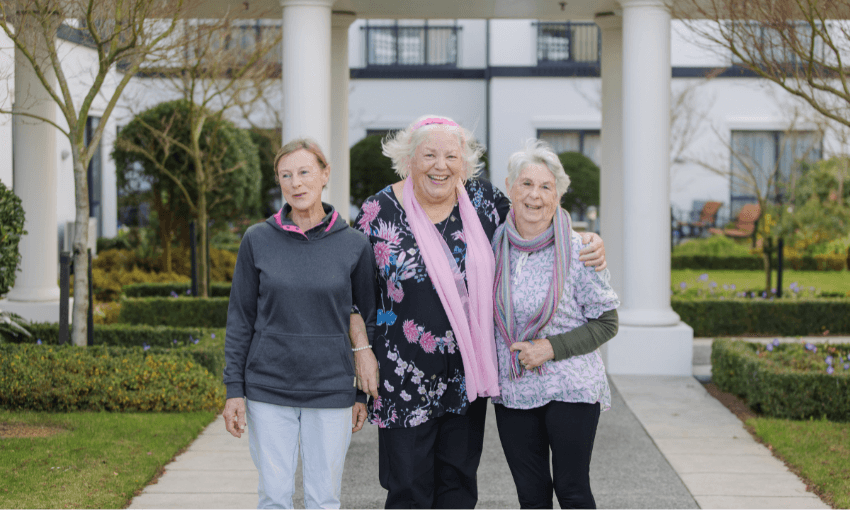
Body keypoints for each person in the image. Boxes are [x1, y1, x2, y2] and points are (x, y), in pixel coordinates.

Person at [349, 116, 608, 509]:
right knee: (407, 486)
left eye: (451, 155)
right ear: (409, 159)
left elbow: (535, 214)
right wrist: (361, 354)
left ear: (464, 163)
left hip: (466, 376)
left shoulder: (484, 202)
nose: (441, 165)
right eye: (429, 155)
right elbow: (356, 295)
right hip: (403, 374)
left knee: (458, 484)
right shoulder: (377, 212)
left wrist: (587, 239)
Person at [222, 138, 377, 509]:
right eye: (286, 175)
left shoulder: (354, 244)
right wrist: (234, 390)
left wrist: (359, 394)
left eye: (305, 172)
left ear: (324, 175)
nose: (296, 183)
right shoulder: (257, 240)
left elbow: (366, 321)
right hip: (268, 388)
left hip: (330, 389)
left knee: (323, 498)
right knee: (274, 496)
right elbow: (240, 318)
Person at [491, 139, 620, 509]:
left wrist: (549, 348)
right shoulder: (492, 246)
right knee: (531, 495)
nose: (535, 196)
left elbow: (607, 322)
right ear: (510, 188)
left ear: (558, 195)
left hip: (571, 386)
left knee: (572, 488)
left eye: (546, 187)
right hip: (514, 387)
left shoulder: (580, 249)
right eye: (527, 184)